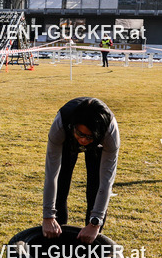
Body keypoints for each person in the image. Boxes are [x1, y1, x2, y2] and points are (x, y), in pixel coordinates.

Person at [42, 97, 120, 245]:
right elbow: (51, 174)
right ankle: (56, 243)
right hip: (67, 140)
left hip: (98, 145)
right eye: (81, 134)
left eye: (88, 136)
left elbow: (106, 182)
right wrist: (48, 217)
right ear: (74, 126)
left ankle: (89, 245)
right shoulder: (61, 125)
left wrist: (95, 223)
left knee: (95, 189)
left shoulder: (110, 134)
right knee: (60, 184)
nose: (83, 140)